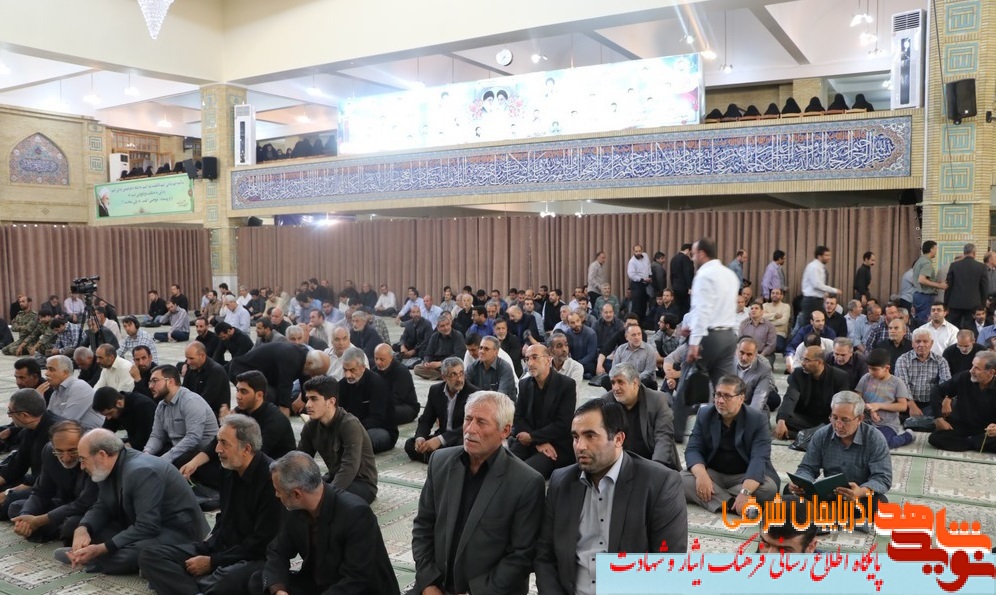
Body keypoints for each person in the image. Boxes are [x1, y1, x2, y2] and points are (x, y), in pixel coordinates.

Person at [535, 398, 688, 594]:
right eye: (575, 437)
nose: (580, 446)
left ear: (618, 439)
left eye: (590, 436)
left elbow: (669, 565)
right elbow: (545, 556)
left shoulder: (659, 484)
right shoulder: (561, 481)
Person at [411, 391, 544, 595]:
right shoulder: (440, 462)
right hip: (436, 586)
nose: (470, 429)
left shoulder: (526, 482)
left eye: (481, 422)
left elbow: (521, 555)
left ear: (505, 430)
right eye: (468, 419)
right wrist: (428, 583)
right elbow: (423, 526)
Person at [139, 415, 281, 595]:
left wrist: (213, 562)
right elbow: (225, 516)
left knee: (226, 581)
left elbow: (262, 543)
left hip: (253, 556)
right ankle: (198, 588)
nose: (217, 449)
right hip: (221, 547)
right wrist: (210, 550)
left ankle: (190, 585)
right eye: (218, 441)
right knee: (150, 556)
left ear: (246, 449)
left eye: (224, 443)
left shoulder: (272, 481)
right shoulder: (229, 469)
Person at [60, 429, 210, 575]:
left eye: (83, 459)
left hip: (176, 531)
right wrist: (83, 528)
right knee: (74, 525)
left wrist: (102, 548)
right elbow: (103, 504)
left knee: (129, 556)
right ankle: (90, 553)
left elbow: (148, 526)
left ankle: (93, 558)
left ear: (102, 455)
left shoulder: (141, 471)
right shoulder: (105, 467)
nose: (81, 466)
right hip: (138, 523)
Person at [246, 452, 398, 594]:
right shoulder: (294, 508)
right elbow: (277, 551)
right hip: (321, 584)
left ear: (297, 494)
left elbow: (357, 578)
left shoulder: (356, 513)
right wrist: (279, 590)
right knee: (260, 581)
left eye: (278, 490)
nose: (276, 495)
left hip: (356, 590)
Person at [682, 375, 779, 516]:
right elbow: (693, 449)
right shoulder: (705, 414)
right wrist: (702, 476)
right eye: (718, 395)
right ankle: (733, 504)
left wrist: (745, 492)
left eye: (727, 396)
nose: (720, 401)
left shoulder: (757, 419)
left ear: (741, 398)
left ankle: (720, 499)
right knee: (681, 479)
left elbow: (759, 458)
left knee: (768, 489)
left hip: (744, 475)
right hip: (713, 473)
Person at [177, 370, 295, 485]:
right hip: (241, 459)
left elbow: (255, 456)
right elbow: (215, 443)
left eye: (244, 392)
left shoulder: (275, 420)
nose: (238, 396)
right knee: (186, 459)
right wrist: (193, 463)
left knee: (224, 471)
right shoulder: (241, 411)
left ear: (259, 395)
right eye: (237, 390)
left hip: (272, 473)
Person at [787, 391, 892, 518]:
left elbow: (882, 478)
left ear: (860, 419)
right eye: (834, 418)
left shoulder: (874, 438)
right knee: (789, 491)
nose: (838, 425)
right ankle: (833, 513)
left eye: (845, 420)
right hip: (828, 494)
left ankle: (825, 513)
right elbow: (808, 467)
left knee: (879, 504)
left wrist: (861, 491)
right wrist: (801, 483)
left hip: (857, 497)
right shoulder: (822, 435)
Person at [9, 420, 97, 545]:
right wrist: (26, 517)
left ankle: (53, 529)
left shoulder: (93, 456)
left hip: (88, 509)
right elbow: (41, 492)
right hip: (63, 504)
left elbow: (84, 503)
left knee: (71, 525)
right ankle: (50, 529)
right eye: (59, 451)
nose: (66, 458)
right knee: (16, 507)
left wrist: (40, 520)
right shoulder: (49, 451)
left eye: (72, 451)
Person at [297, 375, 378, 503]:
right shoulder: (311, 426)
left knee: (326, 503)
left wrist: (327, 495)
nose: (308, 405)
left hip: (361, 483)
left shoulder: (349, 424)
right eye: (307, 399)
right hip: (334, 477)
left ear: (331, 402)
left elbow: (350, 467)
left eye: (314, 399)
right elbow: (301, 460)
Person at [510, 344, 577, 478]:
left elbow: (563, 424)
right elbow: (518, 418)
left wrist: (533, 438)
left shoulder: (566, 385)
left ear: (548, 359)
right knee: (503, 465)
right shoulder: (524, 384)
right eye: (527, 359)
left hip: (555, 445)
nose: (530, 363)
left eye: (535, 357)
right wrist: (535, 441)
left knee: (525, 475)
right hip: (529, 442)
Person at [144, 365, 220, 477]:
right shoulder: (161, 406)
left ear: (170, 382)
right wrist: (146, 453)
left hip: (202, 454)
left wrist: (166, 458)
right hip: (179, 450)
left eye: (155, 381)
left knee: (173, 461)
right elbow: (157, 436)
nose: (150, 386)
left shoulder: (190, 402)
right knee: (149, 457)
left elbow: (193, 438)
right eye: (150, 382)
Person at [601, 363, 680, 470]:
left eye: (620, 382)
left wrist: (656, 469)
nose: (615, 388)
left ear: (635, 383)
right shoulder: (606, 401)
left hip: (653, 461)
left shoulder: (657, 400)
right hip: (620, 465)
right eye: (613, 382)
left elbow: (663, 437)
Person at [686, 238, 739, 388]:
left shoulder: (703, 275)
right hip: (729, 336)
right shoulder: (730, 274)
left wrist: (694, 341)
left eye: (693, 254)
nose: (693, 259)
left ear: (701, 254)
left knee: (689, 388)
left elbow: (702, 309)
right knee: (726, 388)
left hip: (709, 337)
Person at [405, 358, 480, 463]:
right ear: (444, 377)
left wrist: (440, 440)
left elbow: (468, 426)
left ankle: (438, 459)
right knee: (410, 444)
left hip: (460, 438)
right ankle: (442, 459)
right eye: (453, 375)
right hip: (442, 436)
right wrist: (420, 437)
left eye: (461, 373)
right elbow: (426, 419)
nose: (459, 379)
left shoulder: (474, 393)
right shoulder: (435, 390)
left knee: (464, 449)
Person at [775, 346, 850, 439]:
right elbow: (790, 398)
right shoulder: (798, 374)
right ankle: (816, 435)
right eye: (803, 359)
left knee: (840, 425)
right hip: (804, 417)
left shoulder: (839, 376)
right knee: (784, 416)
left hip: (827, 420)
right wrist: (781, 421)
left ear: (819, 362)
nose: (803, 363)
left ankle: (802, 435)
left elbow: (842, 404)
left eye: (807, 360)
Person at [928, 351, 996, 452]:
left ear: (991, 372)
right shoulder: (965, 377)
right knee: (935, 438)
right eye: (972, 366)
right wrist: (938, 418)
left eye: (977, 368)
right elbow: (937, 390)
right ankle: (974, 443)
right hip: (962, 426)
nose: (971, 370)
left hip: (986, 431)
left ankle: (969, 443)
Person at [227, 340, 313, 416]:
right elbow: (285, 386)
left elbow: (306, 382)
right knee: (268, 397)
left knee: (276, 398)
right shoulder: (291, 359)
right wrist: (284, 417)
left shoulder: (307, 358)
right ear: (310, 364)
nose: (313, 376)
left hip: (264, 376)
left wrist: (304, 399)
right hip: (241, 370)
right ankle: (236, 414)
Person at [338, 347, 398, 453]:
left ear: (363, 367)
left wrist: (352, 428)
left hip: (379, 429)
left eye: (352, 370)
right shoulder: (343, 384)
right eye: (345, 370)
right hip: (352, 427)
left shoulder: (377, 383)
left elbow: (377, 418)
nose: (348, 375)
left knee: (363, 441)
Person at [855, 349, 914, 448]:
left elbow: (903, 406)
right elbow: (857, 399)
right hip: (865, 420)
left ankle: (908, 436)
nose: (871, 372)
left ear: (886, 368)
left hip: (887, 423)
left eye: (875, 369)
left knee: (882, 444)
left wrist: (878, 406)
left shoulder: (897, 383)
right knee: (855, 441)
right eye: (869, 368)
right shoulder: (866, 378)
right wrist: (870, 409)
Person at [895, 328, 952, 421]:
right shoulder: (903, 360)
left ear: (931, 343)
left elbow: (946, 383)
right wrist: (912, 405)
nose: (921, 345)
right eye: (918, 341)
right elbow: (902, 385)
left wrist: (946, 400)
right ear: (912, 343)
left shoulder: (940, 361)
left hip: (932, 404)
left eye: (925, 341)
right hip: (908, 403)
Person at [44, 355, 105, 431]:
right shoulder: (56, 392)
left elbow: (66, 423)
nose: (46, 373)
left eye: (51, 370)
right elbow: (48, 419)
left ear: (65, 373)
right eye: (47, 369)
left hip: (94, 435)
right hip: (74, 434)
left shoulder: (79, 387)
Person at [92, 387, 157, 451]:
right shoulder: (115, 407)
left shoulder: (143, 406)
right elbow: (106, 432)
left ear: (119, 403)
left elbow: (144, 438)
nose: (108, 418)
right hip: (134, 441)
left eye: (109, 413)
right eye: (106, 415)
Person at [373, 343, 420, 424]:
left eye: (382, 359)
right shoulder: (374, 370)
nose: (378, 362)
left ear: (391, 357)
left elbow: (397, 398)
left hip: (405, 406)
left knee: (384, 412)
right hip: (382, 404)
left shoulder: (401, 371)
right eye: (376, 358)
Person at [182, 341, 231, 418]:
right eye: (187, 358)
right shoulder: (191, 368)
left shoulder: (215, 371)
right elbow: (184, 391)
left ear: (202, 356)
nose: (188, 362)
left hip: (213, 414)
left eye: (191, 358)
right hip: (195, 408)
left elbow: (206, 399)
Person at [945, 243, 988, 329]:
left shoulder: (954, 265)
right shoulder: (982, 267)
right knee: (971, 328)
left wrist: (946, 304)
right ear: (974, 253)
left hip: (955, 303)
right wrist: (982, 305)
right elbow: (984, 287)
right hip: (974, 304)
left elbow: (948, 286)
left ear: (964, 253)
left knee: (952, 328)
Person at [465, 335, 517, 400]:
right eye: (480, 348)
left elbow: (501, 396)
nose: (481, 351)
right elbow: (464, 387)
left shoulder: (505, 368)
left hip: (502, 404)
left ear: (496, 352)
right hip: (479, 402)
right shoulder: (473, 366)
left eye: (486, 349)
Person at [799, 246, 839, 328]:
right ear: (819, 256)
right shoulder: (814, 267)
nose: (829, 257)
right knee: (808, 326)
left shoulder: (819, 266)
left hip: (817, 300)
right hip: (812, 301)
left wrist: (825, 293)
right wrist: (834, 290)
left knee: (817, 326)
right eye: (826, 255)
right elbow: (817, 284)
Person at [912, 240, 947, 322]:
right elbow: (922, 280)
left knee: (918, 320)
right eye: (935, 249)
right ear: (931, 249)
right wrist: (939, 286)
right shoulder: (927, 263)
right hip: (925, 297)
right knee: (925, 321)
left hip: (918, 296)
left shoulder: (920, 260)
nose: (936, 251)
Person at [627, 244, 653, 324]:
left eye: (639, 251)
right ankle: (635, 323)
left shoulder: (645, 256)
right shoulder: (632, 262)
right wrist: (642, 279)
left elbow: (648, 266)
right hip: (637, 285)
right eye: (636, 251)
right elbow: (631, 275)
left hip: (646, 284)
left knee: (644, 305)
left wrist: (650, 275)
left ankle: (642, 324)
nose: (638, 253)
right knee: (637, 306)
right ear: (633, 252)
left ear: (642, 250)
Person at [669, 243, 694, 316]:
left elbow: (671, 274)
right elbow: (687, 273)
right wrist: (690, 287)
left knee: (677, 307)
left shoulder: (674, 258)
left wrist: (673, 285)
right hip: (684, 287)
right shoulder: (685, 258)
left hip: (675, 286)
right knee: (685, 308)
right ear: (688, 250)